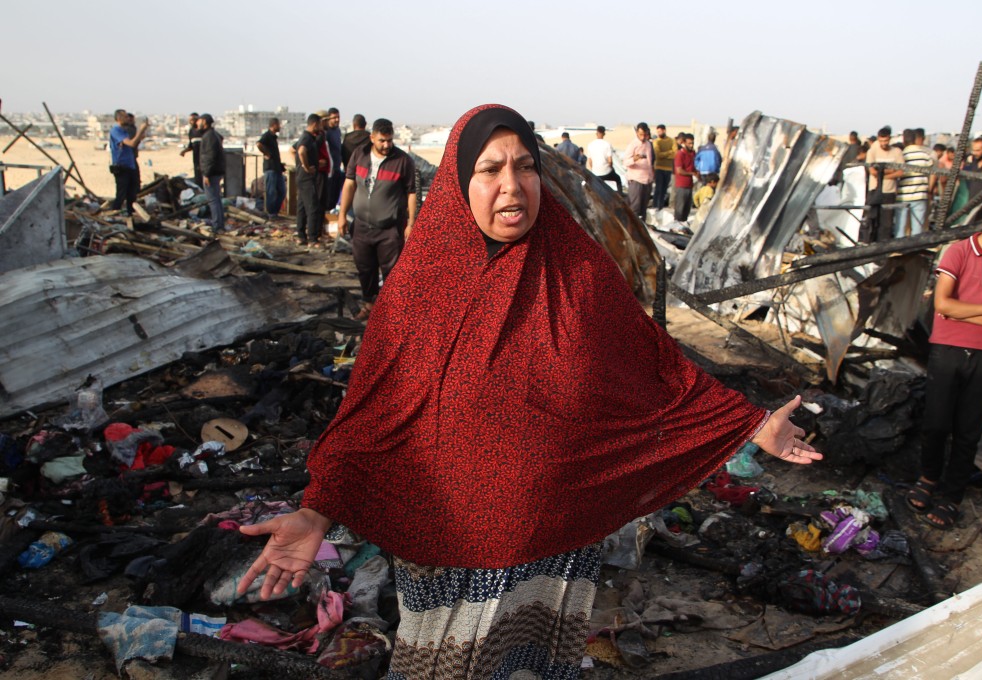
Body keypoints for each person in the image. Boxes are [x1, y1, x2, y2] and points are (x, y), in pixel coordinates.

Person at [237, 104, 821, 678]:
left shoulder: (579, 272)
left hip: (554, 545)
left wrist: (745, 422)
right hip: (447, 548)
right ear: (460, 182)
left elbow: (655, 372)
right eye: (490, 169)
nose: (512, 185)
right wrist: (317, 510)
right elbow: (373, 411)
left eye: (525, 166)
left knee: (533, 668)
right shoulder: (422, 283)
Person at [907, 189, 982, 529]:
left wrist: (963, 313)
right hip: (947, 350)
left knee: (969, 430)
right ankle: (928, 477)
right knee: (937, 423)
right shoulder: (958, 252)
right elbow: (942, 304)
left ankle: (952, 494)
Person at [336, 117, 417, 319]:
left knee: (392, 271)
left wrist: (411, 223)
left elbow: (412, 193)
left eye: (389, 140)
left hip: (389, 228)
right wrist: (342, 216)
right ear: (372, 138)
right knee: (365, 268)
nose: (386, 145)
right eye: (382, 141)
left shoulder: (402, 161)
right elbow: (349, 185)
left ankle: (389, 311)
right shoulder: (359, 155)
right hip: (362, 225)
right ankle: (369, 304)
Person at [864, 126, 904, 242]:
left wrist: (883, 174)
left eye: (886, 141)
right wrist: (891, 171)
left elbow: (901, 171)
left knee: (886, 223)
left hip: (889, 191)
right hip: (874, 190)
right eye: (881, 141)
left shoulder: (896, 152)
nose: (883, 143)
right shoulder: (872, 151)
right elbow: (872, 171)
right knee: (872, 220)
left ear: (889, 139)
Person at [895, 128, 935, 237]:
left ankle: (898, 250)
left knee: (900, 227)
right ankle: (914, 250)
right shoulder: (925, 155)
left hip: (903, 195)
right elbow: (933, 173)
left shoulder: (901, 155)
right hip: (920, 194)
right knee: (917, 226)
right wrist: (929, 189)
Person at [108, 109, 148, 214]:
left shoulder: (124, 131)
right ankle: (113, 213)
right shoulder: (116, 130)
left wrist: (142, 132)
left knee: (132, 194)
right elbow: (131, 144)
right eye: (125, 117)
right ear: (119, 118)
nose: (128, 119)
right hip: (122, 166)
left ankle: (130, 215)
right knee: (121, 194)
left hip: (130, 165)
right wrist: (141, 130)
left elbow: (135, 142)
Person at [295, 113, 324, 246]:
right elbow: (301, 151)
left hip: (302, 178)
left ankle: (301, 235)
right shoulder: (306, 137)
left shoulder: (309, 137)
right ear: (314, 124)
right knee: (312, 207)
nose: (321, 127)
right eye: (320, 124)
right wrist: (306, 167)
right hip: (306, 178)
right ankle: (312, 239)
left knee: (301, 207)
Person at [197, 113, 226, 233]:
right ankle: (219, 224)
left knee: (213, 200)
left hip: (212, 173)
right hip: (216, 171)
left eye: (199, 121)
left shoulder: (209, 136)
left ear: (204, 121)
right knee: (216, 199)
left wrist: (206, 174)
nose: (197, 123)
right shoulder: (213, 135)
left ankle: (217, 226)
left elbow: (210, 157)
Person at [624, 122, 653, 220]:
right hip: (636, 180)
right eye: (641, 135)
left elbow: (649, 161)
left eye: (644, 135)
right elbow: (625, 162)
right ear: (637, 133)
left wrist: (652, 175)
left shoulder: (648, 144)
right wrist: (634, 159)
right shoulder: (633, 145)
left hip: (647, 180)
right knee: (635, 208)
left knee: (643, 209)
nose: (642, 137)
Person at [257, 117, 285, 217]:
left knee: (282, 192)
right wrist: (266, 153)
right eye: (278, 124)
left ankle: (275, 212)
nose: (280, 126)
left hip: (277, 168)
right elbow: (259, 144)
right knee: (271, 192)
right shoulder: (267, 135)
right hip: (270, 168)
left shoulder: (273, 137)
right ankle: (271, 213)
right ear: (273, 125)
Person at [586, 125, 621, 191]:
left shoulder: (590, 145)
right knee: (617, 178)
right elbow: (610, 161)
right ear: (604, 134)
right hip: (606, 172)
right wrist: (611, 168)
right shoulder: (607, 144)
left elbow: (590, 161)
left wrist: (593, 169)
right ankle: (620, 195)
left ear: (596, 133)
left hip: (595, 172)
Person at [652, 124, 677, 211]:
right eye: (658, 131)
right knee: (658, 189)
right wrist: (669, 153)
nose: (659, 133)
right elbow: (658, 155)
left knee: (664, 190)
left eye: (660, 131)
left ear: (664, 130)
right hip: (659, 168)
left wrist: (665, 154)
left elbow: (675, 153)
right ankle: (655, 207)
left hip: (668, 168)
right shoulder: (656, 142)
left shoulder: (672, 141)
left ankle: (661, 207)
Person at [673, 133, 696, 222]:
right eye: (689, 143)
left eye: (692, 143)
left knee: (686, 209)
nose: (691, 145)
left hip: (689, 185)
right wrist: (691, 173)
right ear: (684, 143)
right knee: (679, 210)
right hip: (681, 185)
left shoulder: (693, 153)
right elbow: (679, 170)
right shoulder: (680, 154)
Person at [325, 108, 344, 211]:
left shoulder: (337, 130)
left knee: (337, 195)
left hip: (337, 167)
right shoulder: (326, 132)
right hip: (329, 170)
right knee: (329, 197)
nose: (337, 120)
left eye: (338, 117)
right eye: (334, 118)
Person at [179, 112, 203, 184]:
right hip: (196, 159)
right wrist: (184, 151)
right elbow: (191, 145)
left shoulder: (204, 130)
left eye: (192, 120)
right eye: (190, 120)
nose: (191, 122)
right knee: (198, 177)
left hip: (205, 159)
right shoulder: (191, 131)